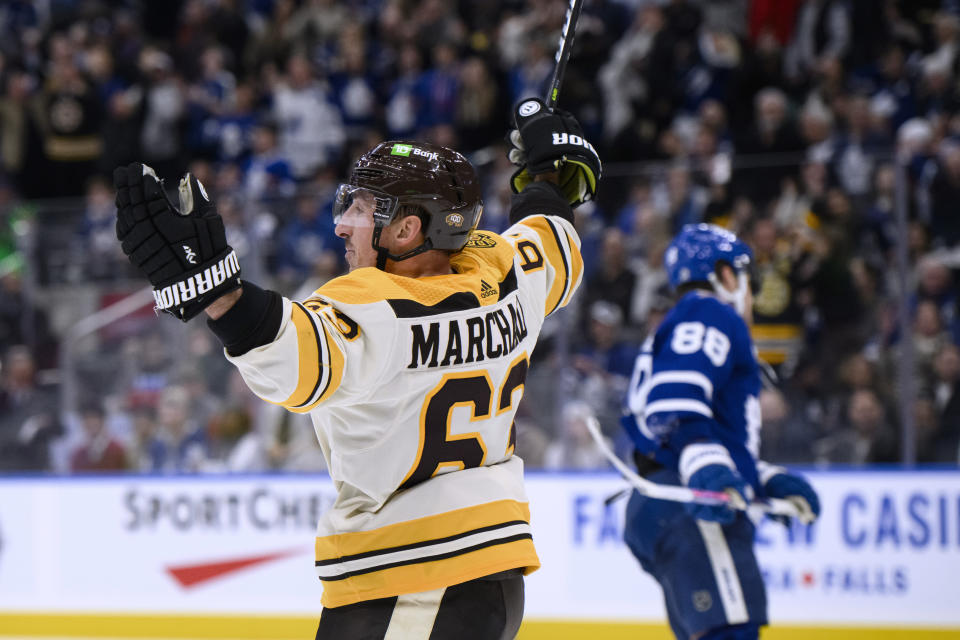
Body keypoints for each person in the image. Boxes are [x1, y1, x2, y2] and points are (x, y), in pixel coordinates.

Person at [113, 97, 600, 639]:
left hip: (412, 578)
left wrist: (217, 288)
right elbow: (551, 236)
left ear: (407, 230)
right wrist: (551, 175)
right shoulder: (507, 274)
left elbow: (286, 359)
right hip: (489, 574)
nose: (342, 225)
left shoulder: (376, 307)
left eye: (363, 210)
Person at [619, 224, 821, 640]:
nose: (750, 293)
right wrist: (705, 469)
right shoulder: (709, 311)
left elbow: (698, 426)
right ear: (726, 275)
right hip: (690, 505)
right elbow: (673, 404)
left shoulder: (683, 323)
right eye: (747, 278)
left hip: (669, 500)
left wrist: (763, 480)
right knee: (731, 633)